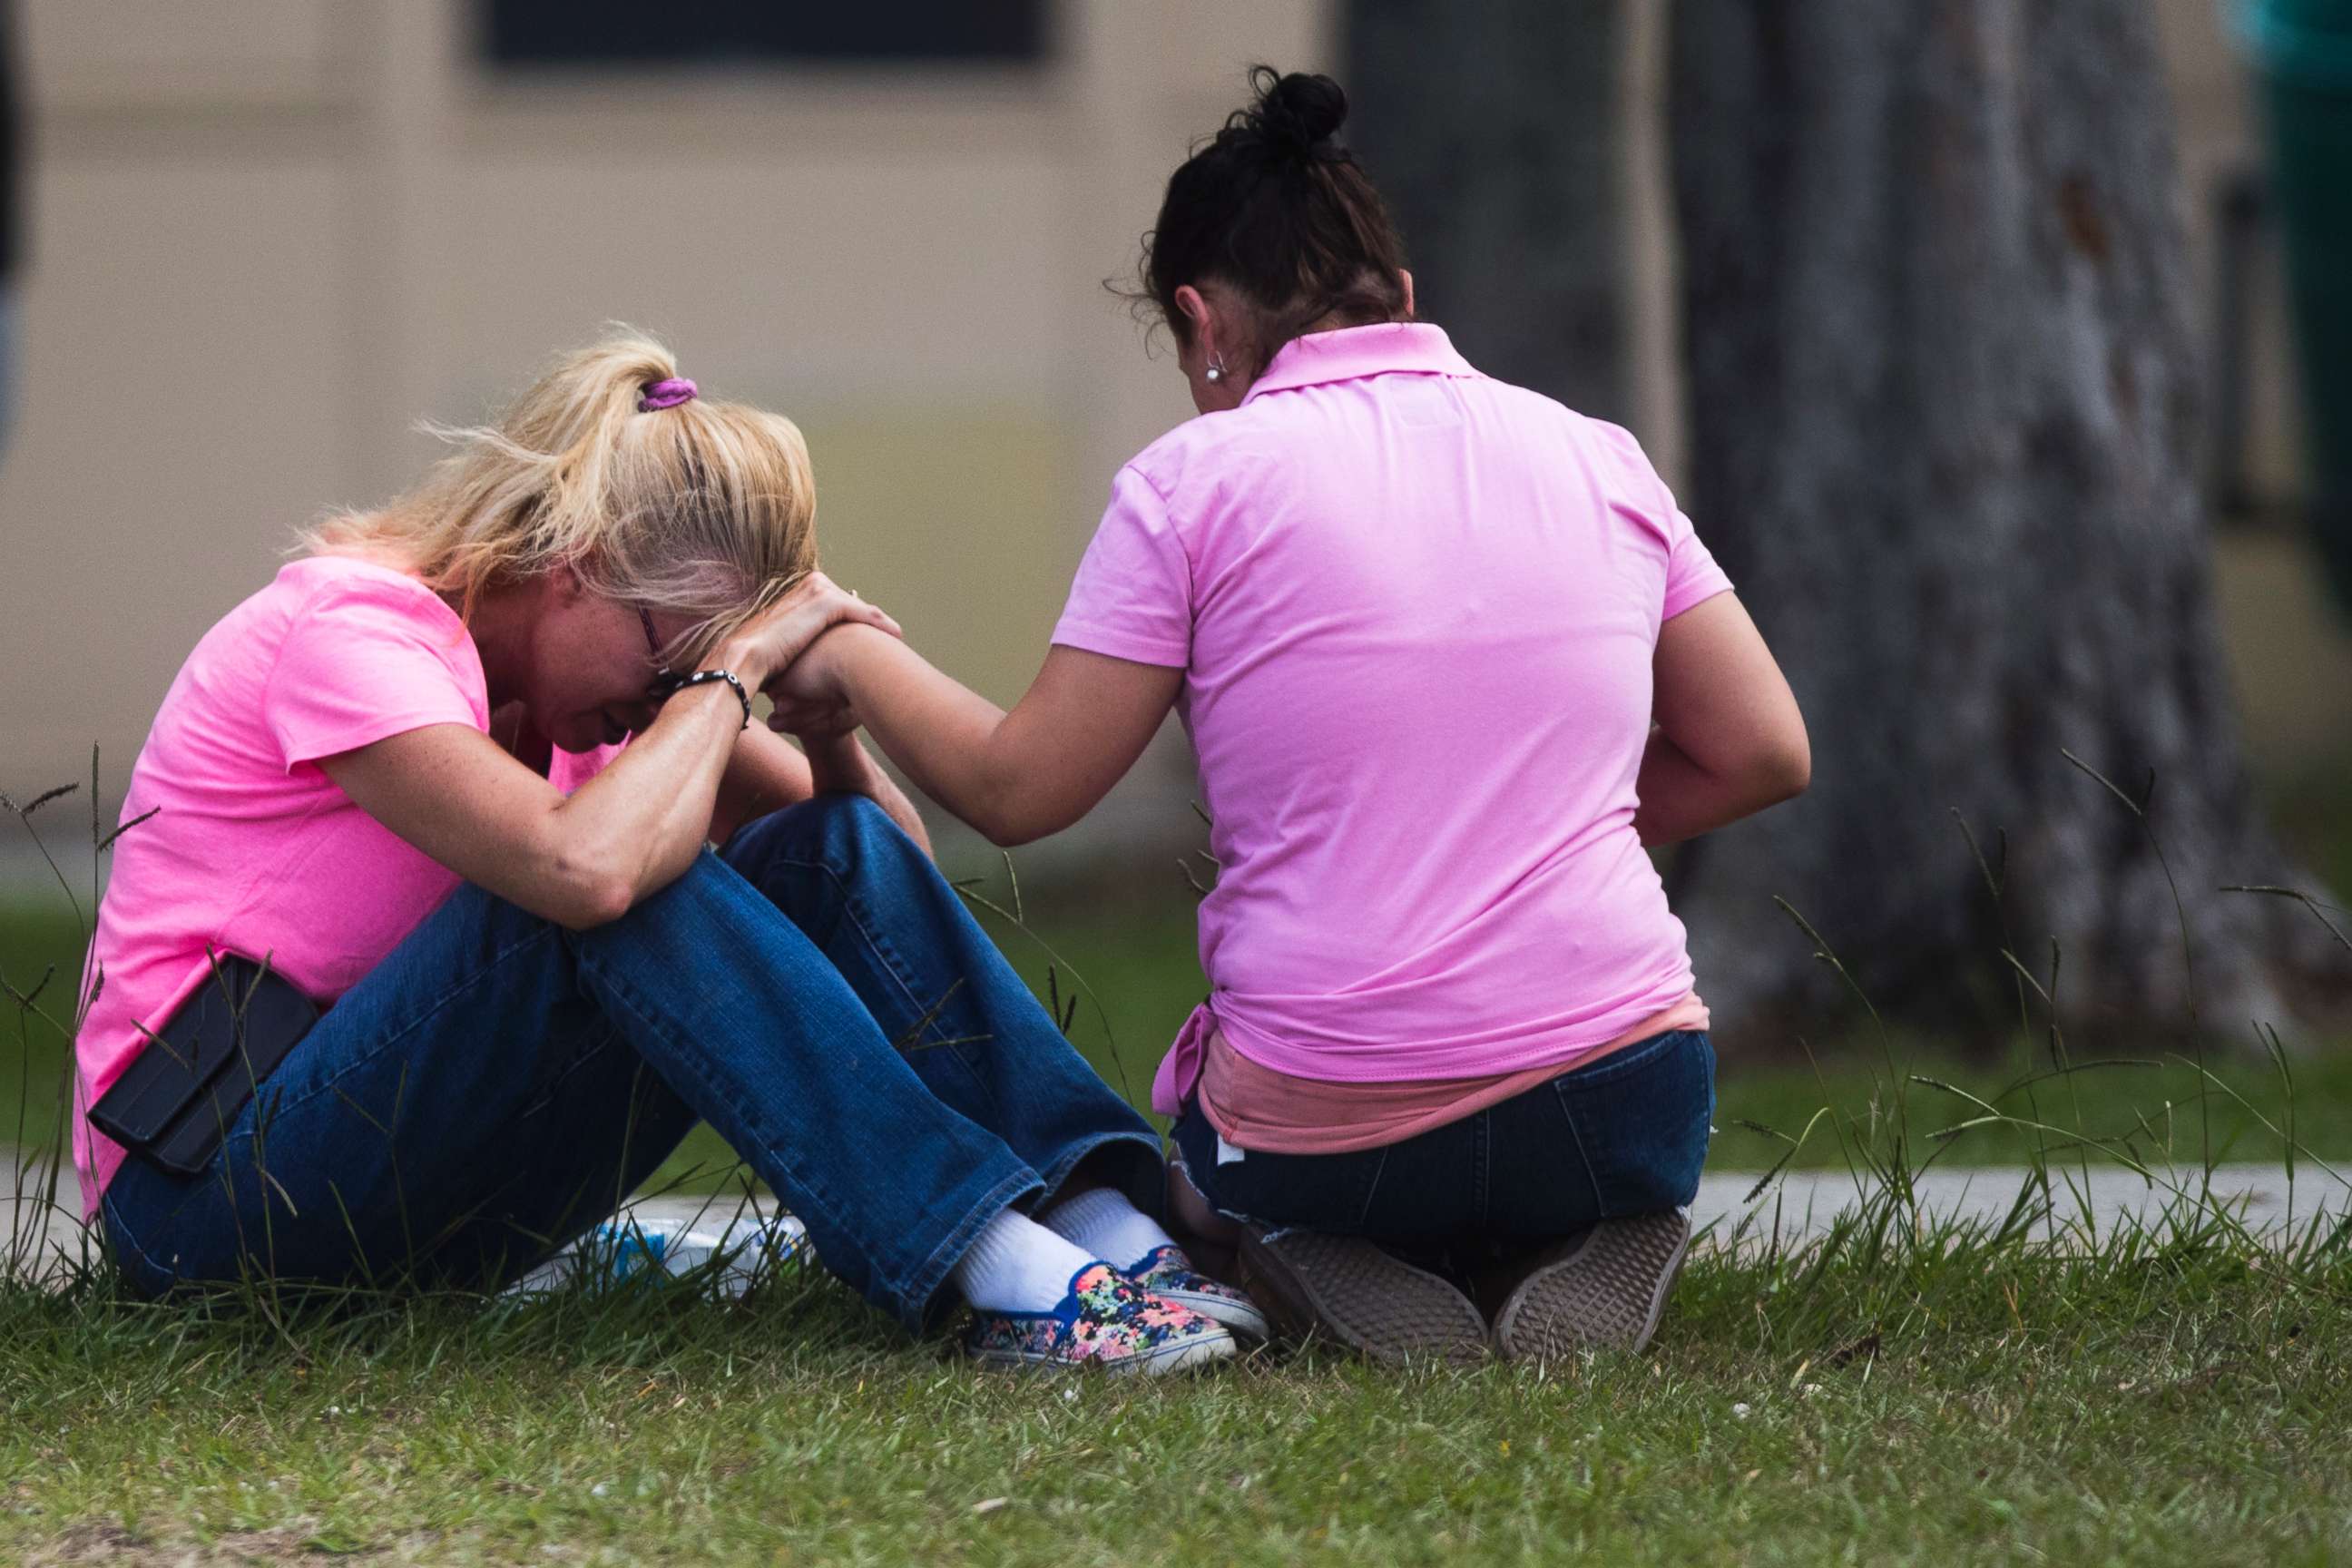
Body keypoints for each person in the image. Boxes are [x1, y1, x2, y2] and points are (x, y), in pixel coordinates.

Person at [767, 69, 1811, 1363]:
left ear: (1202, 321)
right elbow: (1766, 748)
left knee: (1203, 1186)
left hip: (1333, 1123)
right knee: (1544, 1133)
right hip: (1628, 1098)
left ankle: (1301, 1242)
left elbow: (1021, 791)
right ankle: (1584, 1234)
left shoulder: (1195, 482)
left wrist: (848, 649)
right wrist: (1531, 823)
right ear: (1403, 296)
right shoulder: (1596, 452)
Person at [77, 335, 1263, 1373]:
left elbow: (870, 874)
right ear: (571, 561)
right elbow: (579, 874)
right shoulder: (349, 630)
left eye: (691, 667)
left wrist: (831, 723)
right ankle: (1000, 1272)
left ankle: (1117, 1227)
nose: (665, 699)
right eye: (660, 661)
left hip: (413, 1207)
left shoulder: (627, 715)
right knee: (615, 886)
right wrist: (727, 679)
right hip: (206, 1207)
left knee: (804, 845)